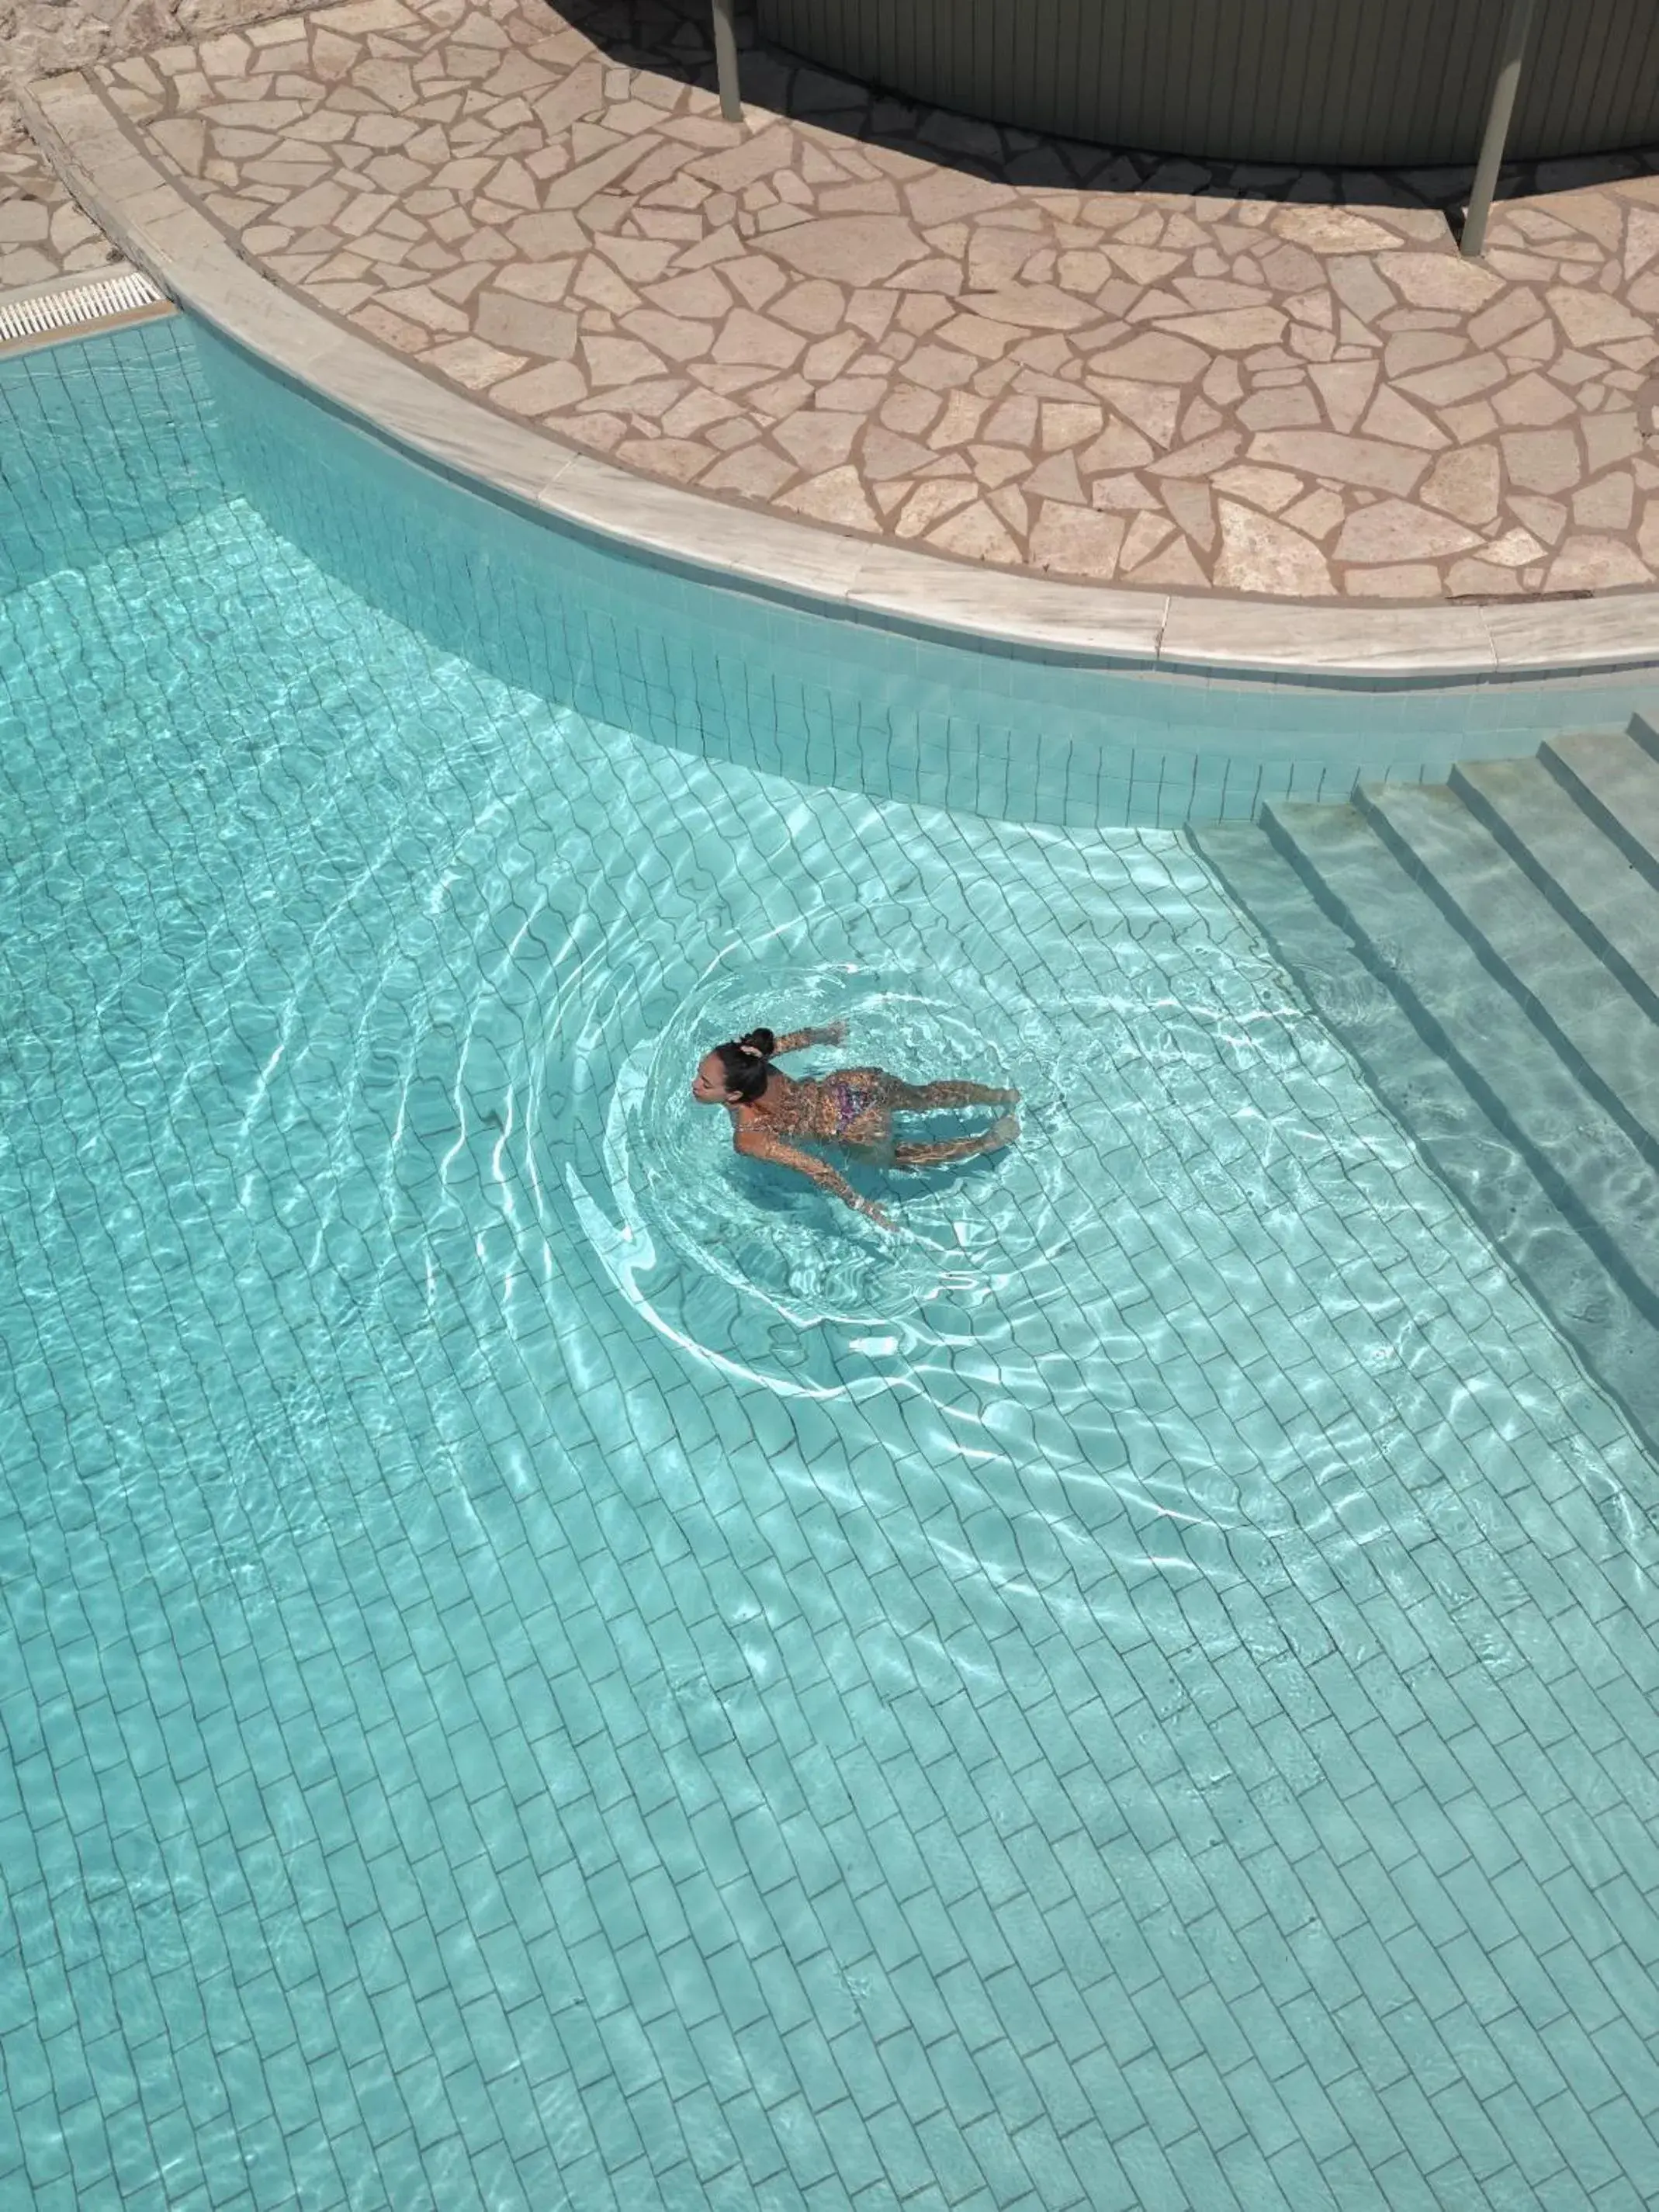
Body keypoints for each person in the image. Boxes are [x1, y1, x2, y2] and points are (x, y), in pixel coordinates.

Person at [691, 1021, 1019, 1230]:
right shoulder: (755, 1061)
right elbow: (800, 1038)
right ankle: (1001, 1095)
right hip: (850, 1085)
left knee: (901, 1157)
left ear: (733, 1094)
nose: (695, 1086)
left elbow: (817, 1168)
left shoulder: (748, 1137)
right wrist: (828, 1035)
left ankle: (984, 1143)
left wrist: (861, 1204)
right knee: (924, 1096)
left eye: (704, 1082)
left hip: (850, 1128)